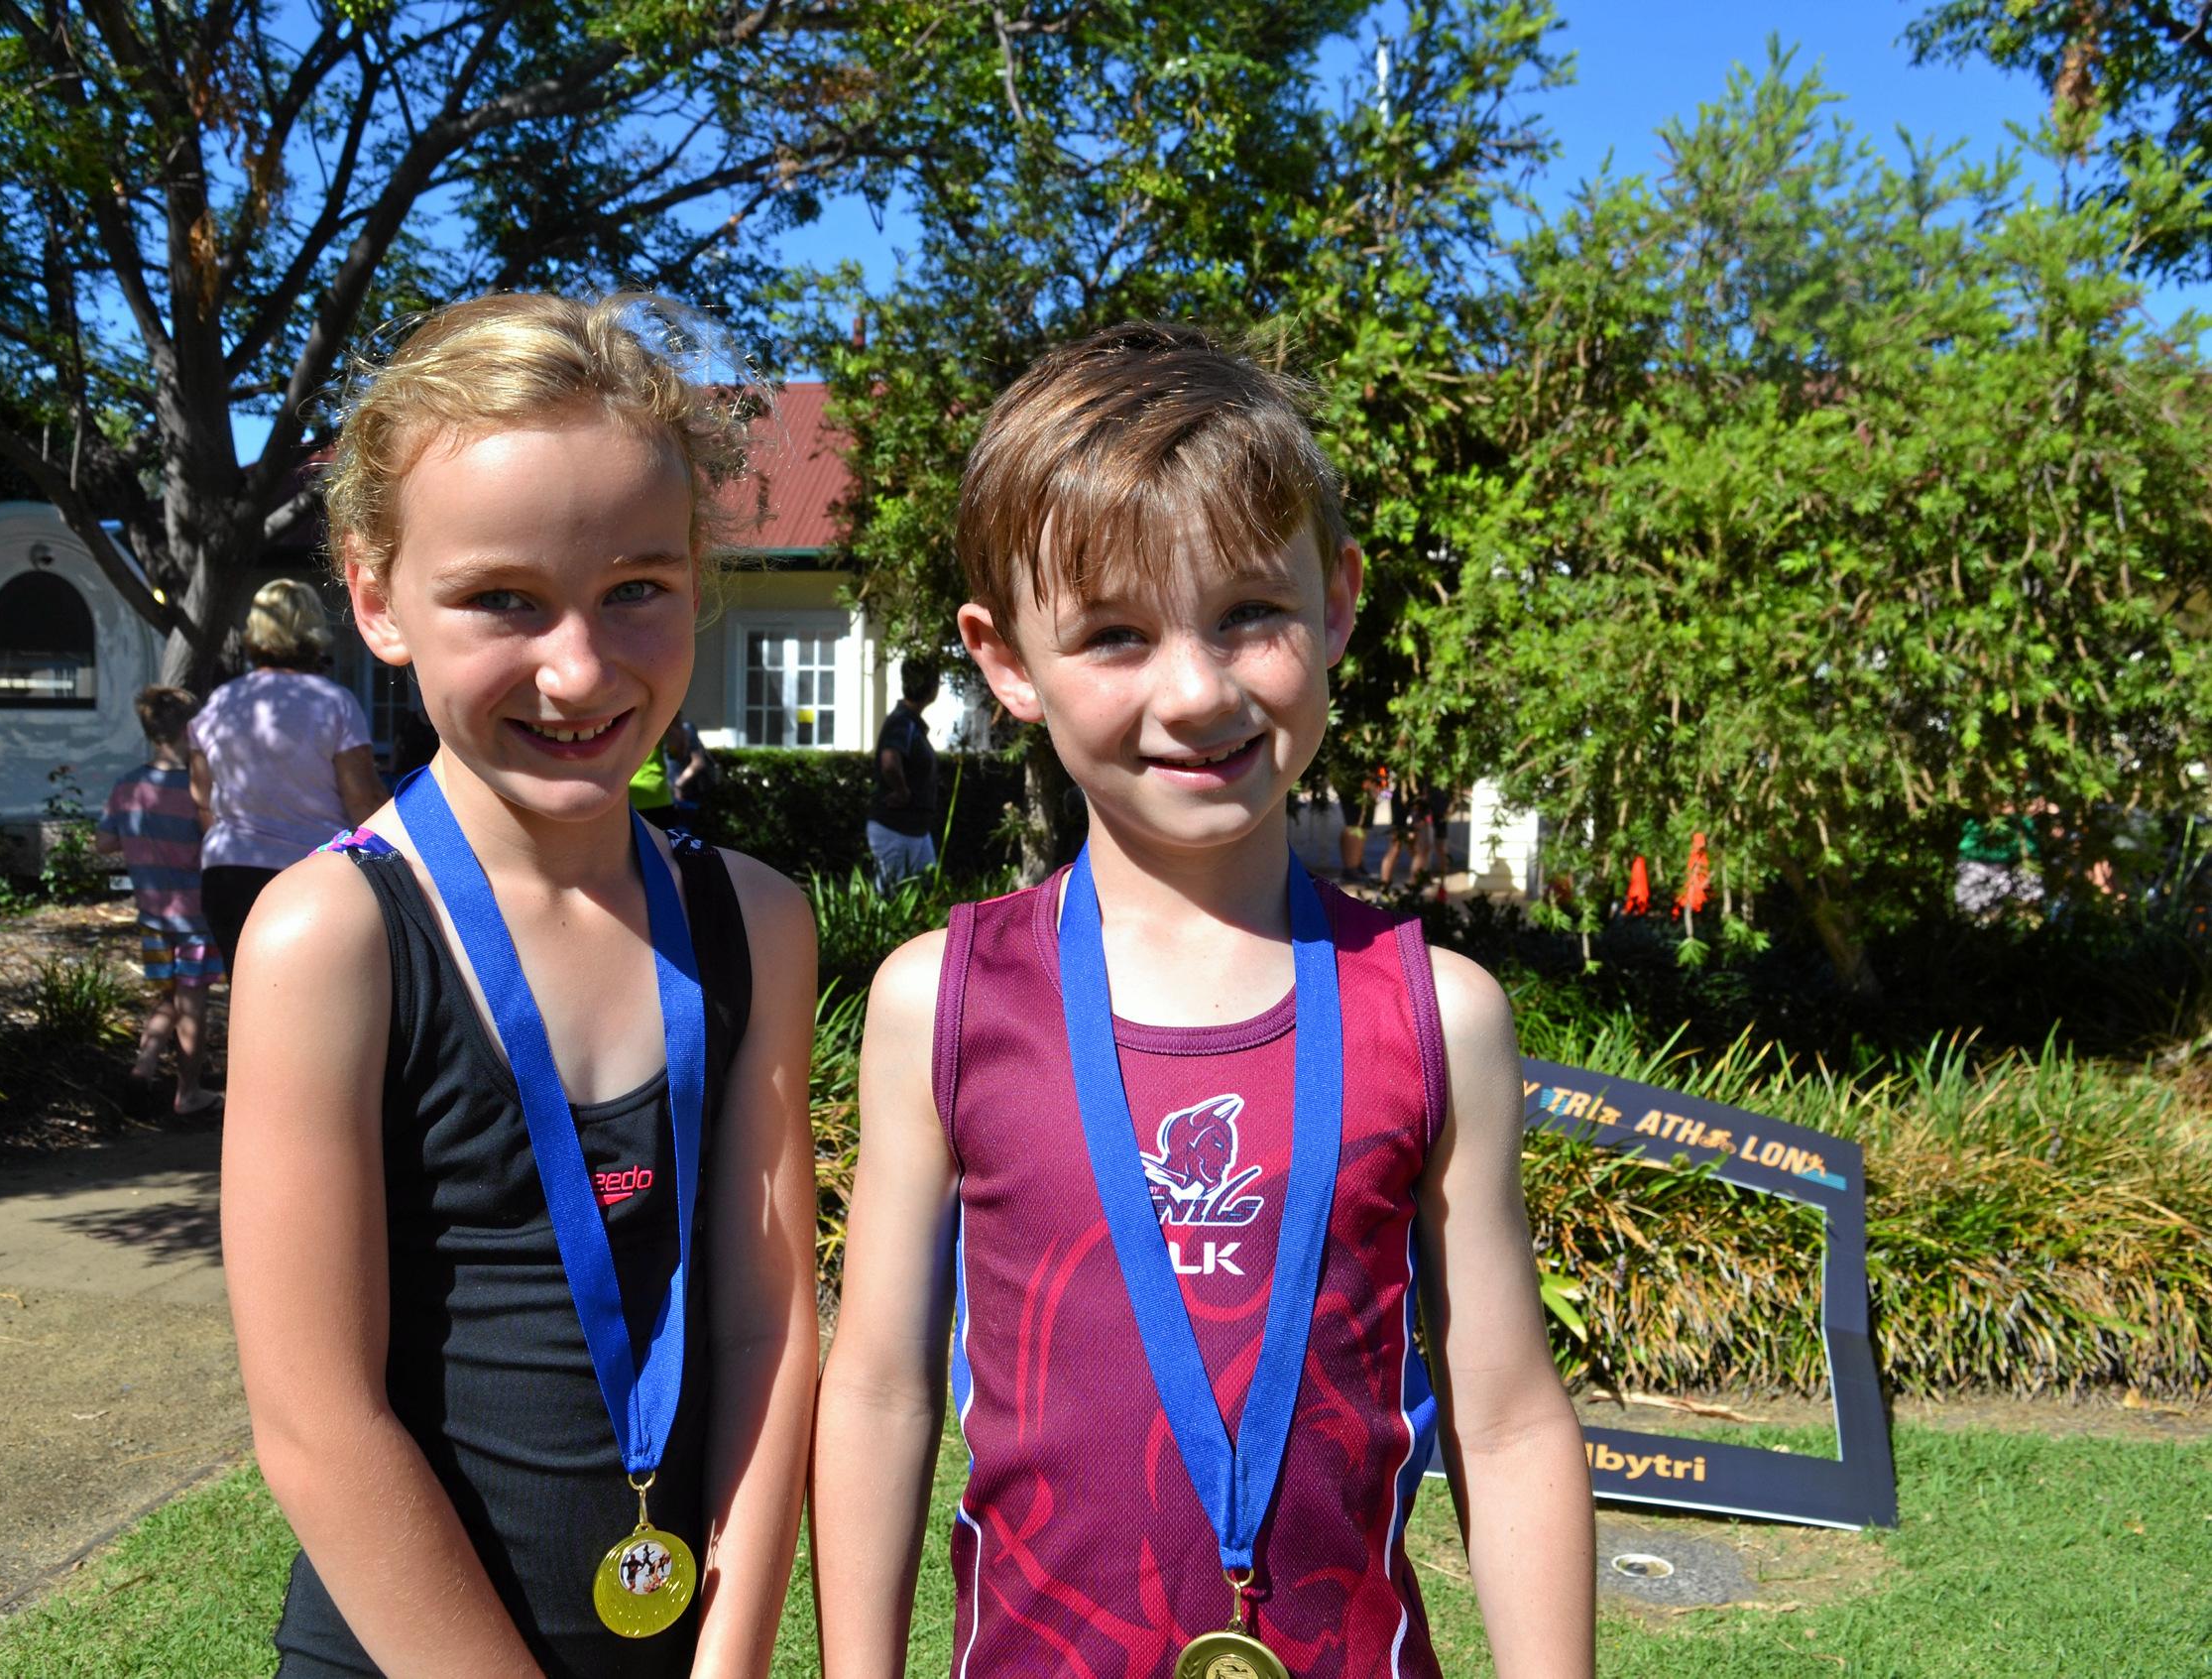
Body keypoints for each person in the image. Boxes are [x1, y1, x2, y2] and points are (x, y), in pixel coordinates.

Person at [813, 324, 1594, 1678]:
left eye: (1249, 613)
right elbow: (880, 1390)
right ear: (1006, 662)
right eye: (1113, 634)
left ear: (1335, 601)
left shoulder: (1432, 1013)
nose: (1197, 690)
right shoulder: (941, 1001)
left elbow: (1510, 1419)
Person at [220, 292, 818, 1679]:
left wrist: (729, 1657)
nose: (578, 666)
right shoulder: (335, 939)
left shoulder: (751, 921)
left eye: (636, 590)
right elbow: (316, 1421)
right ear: (375, 597)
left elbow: (763, 1315)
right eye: (502, 599)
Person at [188, 577, 389, 970]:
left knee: (247, 1000)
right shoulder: (333, 702)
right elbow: (362, 799)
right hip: (311, 874)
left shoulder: (220, 702)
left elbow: (200, 798)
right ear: (312, 628)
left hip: (229, 871)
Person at [94, 685, 222, 1117]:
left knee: (169, 997)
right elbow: (214, 838)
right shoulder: (196, 789)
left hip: (152, 915)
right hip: (194, 919)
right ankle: (188, 1092)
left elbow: (104, 842)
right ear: (191, 728)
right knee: (193, 1004)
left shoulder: (127, 785)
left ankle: (144, 1066)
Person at [866, 660, 941, 884]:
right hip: (896, 827)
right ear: (931, 688)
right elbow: (889, 761)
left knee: (927, 890)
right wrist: (902, 791)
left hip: (916, 829)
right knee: (892, 897)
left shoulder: (910, 723)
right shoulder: (902, 723)